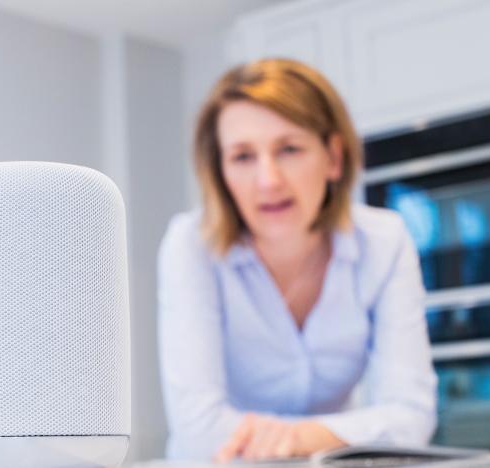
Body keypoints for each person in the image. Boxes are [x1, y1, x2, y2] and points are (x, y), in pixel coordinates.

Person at [156, 58, 437, 462]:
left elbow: (412, 417)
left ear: (333, 157)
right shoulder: (190, 245)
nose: (269, 180)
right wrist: (333, 434)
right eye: (242, 157)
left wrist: (299, 438)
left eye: (289, 149)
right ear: (220, 172)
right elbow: (199, 428)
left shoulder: (384, 242)